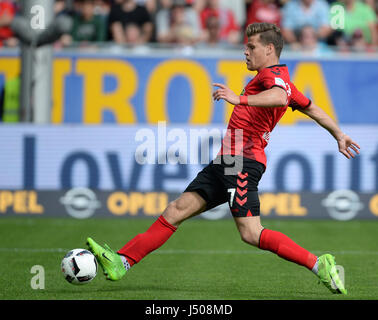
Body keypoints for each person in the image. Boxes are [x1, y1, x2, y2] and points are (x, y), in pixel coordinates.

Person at [87, 22, 360, 295]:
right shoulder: (280, 80)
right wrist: (338, 134)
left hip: (242, 160)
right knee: (176, 211)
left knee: (251, 233)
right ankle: (122, 261)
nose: (246, 52)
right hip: (227, 160)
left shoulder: (273, 78)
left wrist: (238, 100)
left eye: (251, 47)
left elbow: (278, 98)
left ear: (269, 49)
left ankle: (319, 264)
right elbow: (311, 108)